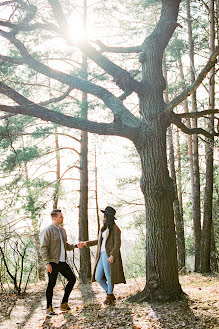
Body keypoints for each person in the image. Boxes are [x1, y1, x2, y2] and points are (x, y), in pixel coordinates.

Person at [40, 209, 82, 315]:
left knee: (72, 279)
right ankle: (49, 308)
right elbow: (43, 248)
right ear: (54, 218)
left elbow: (66, 246)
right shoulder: (48, 230)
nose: (62, 218)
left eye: (62, 216)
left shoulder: (62, 230)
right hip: (53, 262)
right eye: (60, 217)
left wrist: (76, 245)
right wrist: (47, 263)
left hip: (62, 262)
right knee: (51, 285)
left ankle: (64, 303)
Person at [81, 206, 126, 304]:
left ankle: (109, 296)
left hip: (108, 254)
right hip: (101, 254)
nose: (103, 217)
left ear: (108, 217)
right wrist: (87, 243)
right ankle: (109, 293)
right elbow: (99, 241)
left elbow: (117, 243)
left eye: (104, 215)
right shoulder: (104, 229)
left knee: (109, 276)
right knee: (98, 277)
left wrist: (112, 255)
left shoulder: (115, 229)